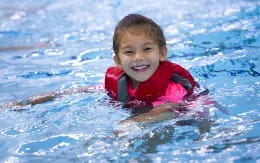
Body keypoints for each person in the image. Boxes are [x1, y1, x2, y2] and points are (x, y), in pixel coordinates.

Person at [1, 14, 217, 124]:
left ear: (162, 53)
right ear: (117, 60)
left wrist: (131, 124)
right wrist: (24, 103)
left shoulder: (172, 88)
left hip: (185, 119)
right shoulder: (119, 82)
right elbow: (76, 92)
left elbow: (168, 108)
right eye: (129, 52)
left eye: (147, 49)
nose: (139, 58)